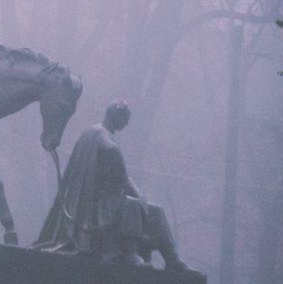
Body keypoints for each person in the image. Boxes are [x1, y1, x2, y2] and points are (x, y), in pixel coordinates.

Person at [35, 100, 193, 272]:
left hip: (107, 198)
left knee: (156, 210)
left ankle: (172, 259)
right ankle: (129, 253)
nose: (126, 123)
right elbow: (119, 174)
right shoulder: (99, 134)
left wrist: (140, 196)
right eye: (125, 119)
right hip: (95, 205)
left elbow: (123, 178)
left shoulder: (97, 133)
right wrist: (137, 198)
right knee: (132, 205)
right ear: (115, 116)